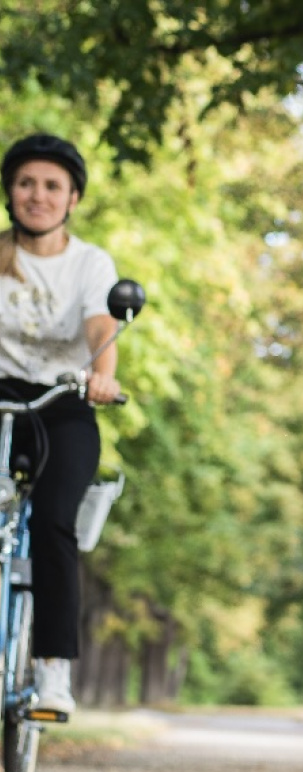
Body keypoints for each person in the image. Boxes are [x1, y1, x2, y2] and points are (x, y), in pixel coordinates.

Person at [0, 133, 121, 716]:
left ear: (72, 197)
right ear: (10, 192)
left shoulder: (89, 263)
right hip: (0, 394)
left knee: (52, 525)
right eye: (26, 183)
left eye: (51, 186)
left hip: (64, 400)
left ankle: (52, 674)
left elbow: (100, 324)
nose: (37, 195)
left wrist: (103, 375)